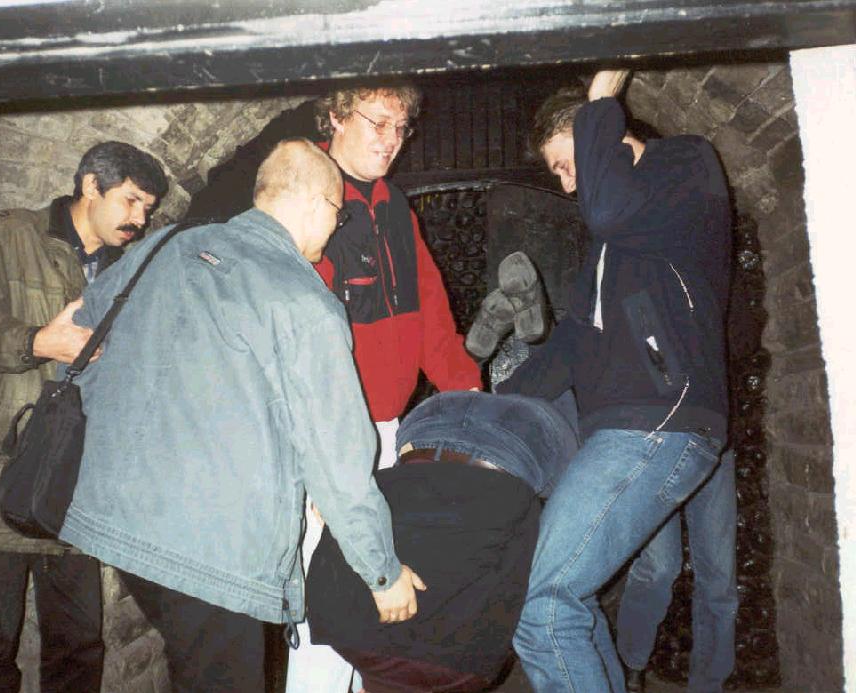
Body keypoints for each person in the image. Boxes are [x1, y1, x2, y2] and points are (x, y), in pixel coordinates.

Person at [57, 139, 425, 692]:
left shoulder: (166, 246)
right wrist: (382, 572)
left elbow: (78, 337)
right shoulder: (304, 302)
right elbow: (339, 459)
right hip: (215, 548)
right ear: (315, 203)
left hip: (119, 519)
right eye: (338, 213)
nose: (336, 229)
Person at [496, 68, 732, 692]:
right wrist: (495, 404)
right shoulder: (610, 248)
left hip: (659, 419)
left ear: (599, 133)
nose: (567, 184)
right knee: (563, 602)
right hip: (626, 428)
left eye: (566, 164)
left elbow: (606, 209)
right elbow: (574, 341)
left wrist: (600, 102)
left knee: (543, 605)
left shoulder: (684, 165)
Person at [0, 141, 168, 692]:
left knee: (79, 647)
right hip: (1, 473)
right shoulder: (11, 235)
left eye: (148, 208)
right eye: (131, 201)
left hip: (77, 487)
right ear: (91, 186)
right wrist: (38, 341)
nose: (140, 219)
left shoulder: (133, 266)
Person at [288, 81, 483, 693]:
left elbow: (432, 317)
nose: (391, 140)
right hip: (330, 431)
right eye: (377, 122)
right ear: (336, 118)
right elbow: (295, 341)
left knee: (367, 603)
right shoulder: (307, 194)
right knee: (327, 606)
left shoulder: (395, 205)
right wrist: (321, 461)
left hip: (385, 430)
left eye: (400, 128)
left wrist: (471, 406)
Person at [306, 389, 579, 693]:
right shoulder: (335, 628)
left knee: (571, 421)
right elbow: (341, 521)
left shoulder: (470, 671)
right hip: (427, 423)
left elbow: (524, 567)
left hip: (523, 439)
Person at [616, 449, 738, 692]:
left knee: (719, 580)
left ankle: (708, 686)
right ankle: (631, 662)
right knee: (659, 567)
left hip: (714, 441)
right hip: (654, 441)